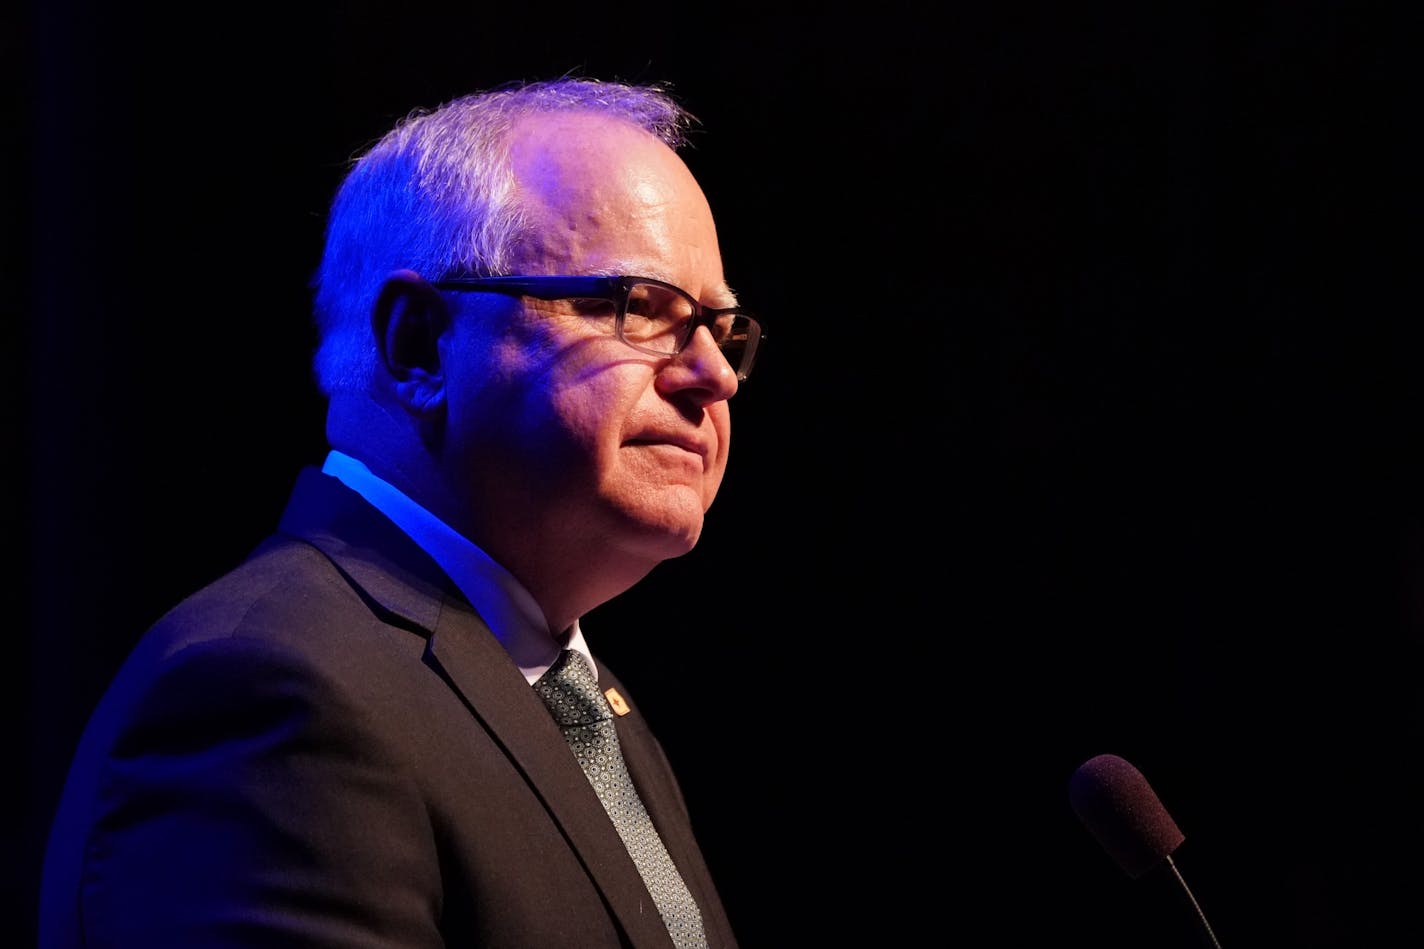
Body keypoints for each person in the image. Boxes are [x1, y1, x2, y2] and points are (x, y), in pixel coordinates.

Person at [38, 76, 762, 948]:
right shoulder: (271, 694)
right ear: (420, 344)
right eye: (636, 307)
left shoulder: (583, 701)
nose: (713, 375)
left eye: (721, 329)